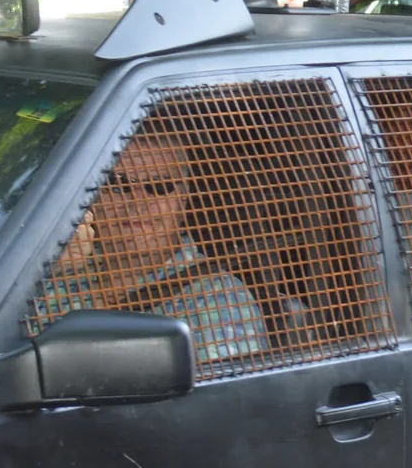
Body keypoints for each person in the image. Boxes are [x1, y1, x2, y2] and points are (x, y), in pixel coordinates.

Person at [47, 129, 266, 362]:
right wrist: (51, 272)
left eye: (159, 186)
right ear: (95, 198)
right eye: (119, 184)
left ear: (182, 202)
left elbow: (225, 396)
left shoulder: (216, 300)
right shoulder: (60, 276)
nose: (138, 202)